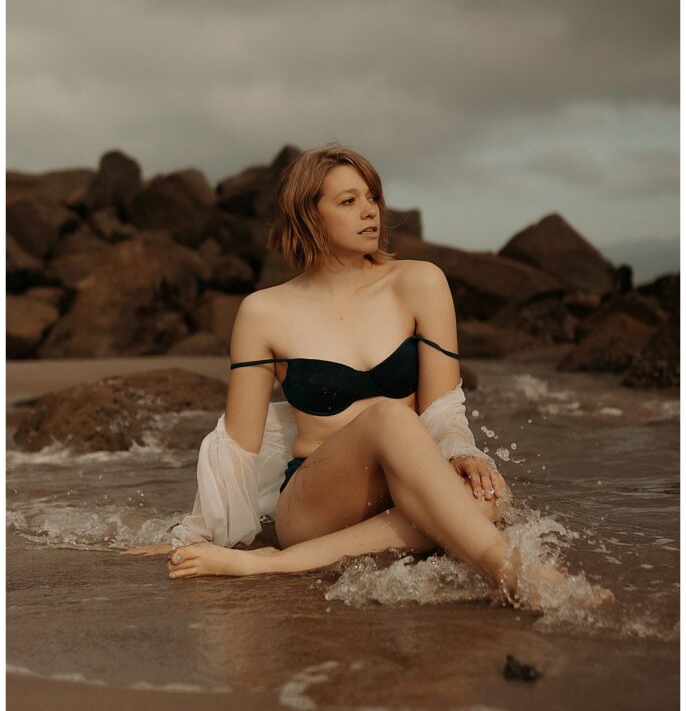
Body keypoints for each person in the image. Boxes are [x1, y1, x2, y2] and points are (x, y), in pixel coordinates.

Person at [125, 144, 612, 610]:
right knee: (391, 419)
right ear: (309, 215)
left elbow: (442, 406)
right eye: (349, 201)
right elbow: (238, 445)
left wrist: (461, 451)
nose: (370, 211)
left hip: (405, 482)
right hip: (316, 500)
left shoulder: (420, 282)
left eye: (373, 197)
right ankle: (512, 573)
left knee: (491, 494)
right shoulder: (264, 312)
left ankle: (275, 564)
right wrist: (194, 533)